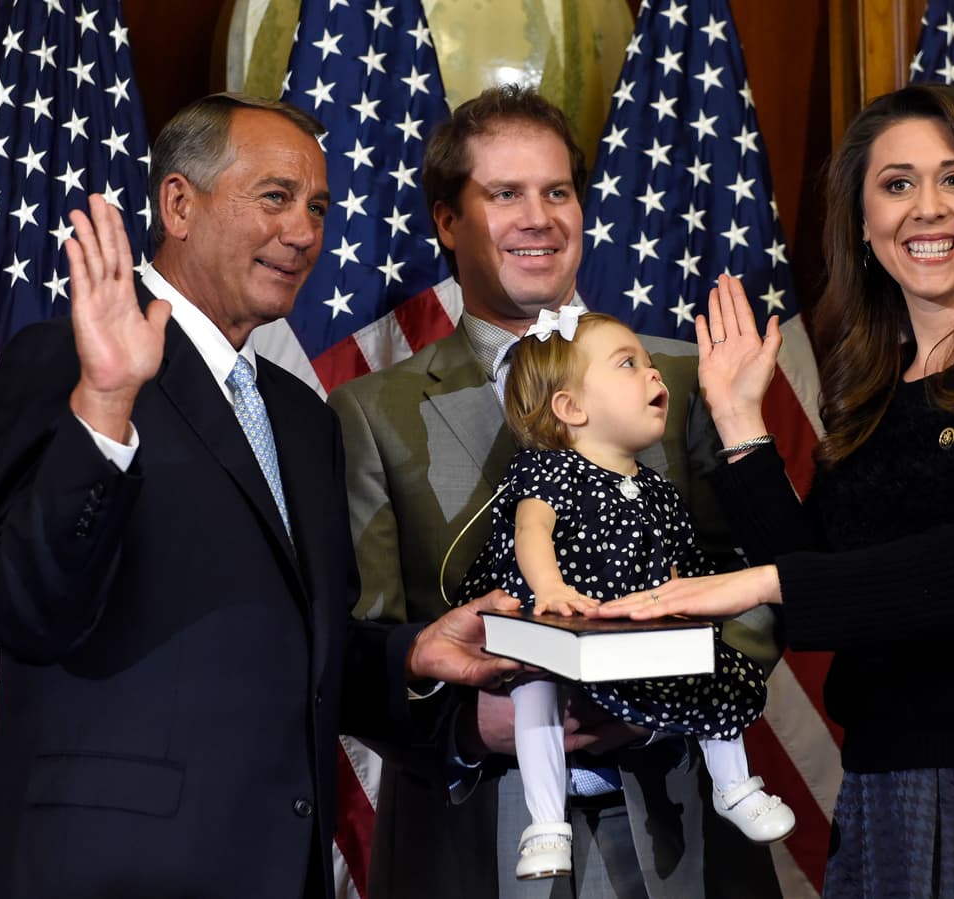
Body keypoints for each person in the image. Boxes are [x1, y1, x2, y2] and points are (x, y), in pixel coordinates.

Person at [595, 83, 954, 896]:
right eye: (898, 184)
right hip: (885, 786)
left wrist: (757, 582)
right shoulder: (871, 389)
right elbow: (821, 582)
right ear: (863, 224)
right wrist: (739, 416)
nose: (928, 207)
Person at [0, 93, 519, 899]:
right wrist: (107, 405)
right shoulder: (69, 364)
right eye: (275, 197)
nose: (303, 232)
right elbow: (23, 607)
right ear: (179, 205)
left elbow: (293, 652)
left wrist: (409, 655)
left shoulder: (302, 419)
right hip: (109, 875)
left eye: (317, 208)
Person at [327, 85, 785, 898]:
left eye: (557, 191)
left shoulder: (682, 376)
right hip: (474, 836)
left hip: (681, 829)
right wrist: (469, 725)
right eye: (505, 194)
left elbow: (762, 576)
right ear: (447, 221)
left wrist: (669, 686)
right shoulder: (371, 410)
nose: (538, 218)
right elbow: (360, 644)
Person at [455, 308, 795, 881]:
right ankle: (546, 823)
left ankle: (734, 784)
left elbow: (678, 563)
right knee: (534, 688)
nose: (654, 373)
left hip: (632, 633)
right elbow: (530, 531)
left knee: (712, 671)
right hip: (556, 620)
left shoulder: (657, 490)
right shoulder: (547, 471)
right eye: (628, 364)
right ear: (571, 408)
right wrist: (550, 588)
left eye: (650, 362)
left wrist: (682, 609)